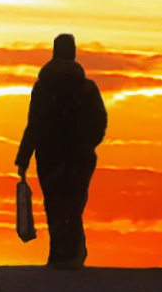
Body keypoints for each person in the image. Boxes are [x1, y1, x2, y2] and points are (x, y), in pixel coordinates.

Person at [15, 33, 108, 269]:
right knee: (74, 203)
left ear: (54, 53)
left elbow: (34, 124)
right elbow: (100, 121)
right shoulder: (87, 88)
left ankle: (59, 252)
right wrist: (88, 143)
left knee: (54, 203)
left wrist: (23, 158)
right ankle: (74, 251)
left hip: (49, 155)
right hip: (80, 156)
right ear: (73, 53)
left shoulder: (43, 88)